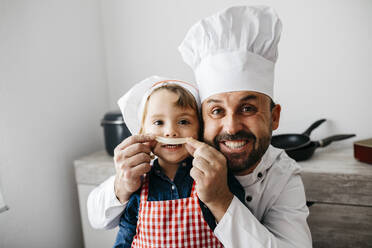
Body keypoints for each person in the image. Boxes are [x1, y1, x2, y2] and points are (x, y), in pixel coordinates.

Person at [88, 6, 312, 247]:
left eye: (247, 108)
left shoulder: (282, 176)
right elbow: (98, 218)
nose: (231, 126)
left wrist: (221, 200)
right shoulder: (157, 167)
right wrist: (121, 185)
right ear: (203, 121)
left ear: (274, 117)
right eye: (216, 111)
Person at [111, 76, 246, 248]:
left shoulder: (214, 176)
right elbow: (126, 236)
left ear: (199, 130)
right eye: (159, 122)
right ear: (142, 132)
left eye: (183, 122)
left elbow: (238, 227)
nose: (170, 132)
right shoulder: (138, 183)